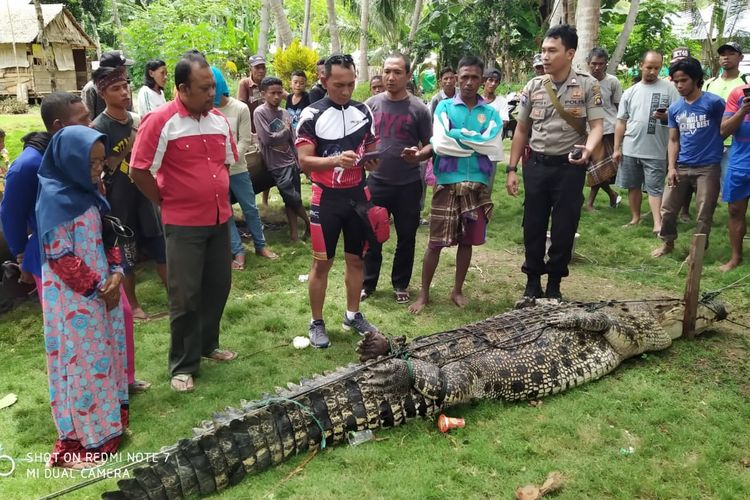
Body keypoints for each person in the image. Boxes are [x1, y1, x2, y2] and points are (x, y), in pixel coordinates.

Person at [130, 52, 239, 392]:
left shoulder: (218, 119)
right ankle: (182, 365)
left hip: (220, 219)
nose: (212, 94)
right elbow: (138, 169)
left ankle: (207, 345)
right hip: (183, 224)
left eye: (214, 87)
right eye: (205, 88)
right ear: (182, 88)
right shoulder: (160, 121)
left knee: (217, 285)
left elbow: (226, 164)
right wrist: (165, 201)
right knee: (185, 295)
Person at [36, 125, 128, 468]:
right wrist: (97, 288)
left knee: (105, 358)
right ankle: (83, 439)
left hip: (103, 290)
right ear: (70, 161)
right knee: (81, 365)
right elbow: (60, 255)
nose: (97, 169)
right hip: (75, 300)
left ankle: (108, 427)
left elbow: (110, 232)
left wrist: (117, 273)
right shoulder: (54, 198)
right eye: (90, 163)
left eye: (101, 162)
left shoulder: (92, 190)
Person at [506, 24, 604, 301]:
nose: (545, 57)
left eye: (552, 51)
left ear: (570, 53)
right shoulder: (534, 85)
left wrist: (588, 148)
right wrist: (512, 168)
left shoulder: (587, 85)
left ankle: (555, 285)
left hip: (569, 169)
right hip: (536, 166)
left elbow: (597, 125)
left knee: (564, 228)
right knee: (533, 224)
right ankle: (532, 282)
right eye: (543, 51)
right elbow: (522, 130)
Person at [295, 53, 380, 348]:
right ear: (324, 80)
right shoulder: (311, 115)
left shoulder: (364, 111)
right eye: (338, 85)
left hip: (357, 196)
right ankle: (316, 322)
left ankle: (353, 314)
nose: (345, 91)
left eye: (351, 84)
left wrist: (373, 162)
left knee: (356, 259)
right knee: (322, 264)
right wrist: (334, 161)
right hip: (325, 198)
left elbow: (373, 150)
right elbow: (304, 161)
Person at [409, 55, 502, 314]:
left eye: (475, 77)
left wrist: (457, 137)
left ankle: (457, 290)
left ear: (482, 80)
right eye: (464, 77)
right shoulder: (444, 108)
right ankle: (424, 294)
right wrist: (473, 143)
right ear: (457, 79)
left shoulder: (491, 112)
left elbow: (493, 146)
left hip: (477, 184)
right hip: (447, 182)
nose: (469, 82)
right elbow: (440, 144)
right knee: (435, 242)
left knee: (467, 241)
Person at [92, 65, 167, 324]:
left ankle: (176, 296)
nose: (124, 92)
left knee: (161, 247)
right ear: (103, 94)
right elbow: (97, 170)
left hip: (145, 194)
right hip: (119, 201)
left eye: (126, 86)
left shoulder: (138, 121)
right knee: (126, 256)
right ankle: (133, 305)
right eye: (116, 88)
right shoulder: (98, 128)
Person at [1, 92, 90, 293]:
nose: (91, 124)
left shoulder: (75, 154)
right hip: (51, 257)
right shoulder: (27, 166)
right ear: (59, 125)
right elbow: (11, 214)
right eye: (83, 119)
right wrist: (22, 256)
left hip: (86, 248)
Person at [362, 53, 432, 304]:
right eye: (387, 71)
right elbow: (359, 141)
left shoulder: (419, 109)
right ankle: (367, 283)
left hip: (408, 184)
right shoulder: (370, 105)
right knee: (372, 235)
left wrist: (418, 155)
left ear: (408, 76)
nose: (390, 77)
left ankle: (400, 283)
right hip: (376, 181)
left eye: (397, 72)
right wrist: (364, 157)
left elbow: (430, 145)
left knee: (407, 236)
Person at [652, 57, 726, 258]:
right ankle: (668, 243)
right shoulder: (676, 108)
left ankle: (698, 250)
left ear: (695, 79)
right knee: (667, 209)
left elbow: (726, 128)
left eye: (683, 80)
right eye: (675, 81)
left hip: (708, 167)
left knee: (704, 212)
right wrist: (672, 168)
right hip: (682, 166)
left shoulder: (714, 103)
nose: (679, 85)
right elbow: (673, 140)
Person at [213, 67, 276, 269]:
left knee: (250, 208)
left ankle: (261, 245)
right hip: (215, 173)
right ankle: (237, 251)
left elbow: (245, 140)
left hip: (237, 169)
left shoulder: (239, 108)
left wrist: (229, 160)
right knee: (226, 212)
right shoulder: (205, 111)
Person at [613, 50, 679, 233]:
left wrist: (666, 117)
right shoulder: (631, 91)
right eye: (649, 67)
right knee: (633, 186)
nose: (652, 71)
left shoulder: (669, 89)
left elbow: (678, 115)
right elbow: (621, 121)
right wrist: (617, 148)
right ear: (641, 65)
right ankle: (635, 217)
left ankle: (658, 223)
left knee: (654, 187)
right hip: (631, 147)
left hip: (656, 149)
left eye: (657, 68)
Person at [254, 76, 311, 242]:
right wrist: (285, 131)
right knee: (291, 198)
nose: (277, 96)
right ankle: (310, 224)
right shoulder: (260, 113)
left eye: (280, 93)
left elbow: (291, 140)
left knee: (293, 200)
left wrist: (298, 161)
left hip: (291, 162)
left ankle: (294, 235)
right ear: (263, 93)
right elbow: (267, 139)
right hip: (276, 165)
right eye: (273, 93)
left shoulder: (284, 112)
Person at [585, 47, 623, 211]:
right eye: (594, 64)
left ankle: (590, 204)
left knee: (600, 167)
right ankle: (611, 195)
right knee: (596, 167)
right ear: (588, 63)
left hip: (608, 129)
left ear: (606, 64)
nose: (597, 67)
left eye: (601, 64)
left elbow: (619, 107)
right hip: (589, 130)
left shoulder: (612, 81)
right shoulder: (583, 81)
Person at [718, 81, 750, 271]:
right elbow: (723, 131)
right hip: (740, 163)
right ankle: (735, 257)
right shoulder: (738, 93)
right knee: (735, 211)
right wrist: (742, 111)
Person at [704, 42, 748, 180]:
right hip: (711, 142)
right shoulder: (709, 83)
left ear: (740, 57)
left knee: (732, 186)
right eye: (723, 54)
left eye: (731, 54)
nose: (726, 57)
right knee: (708, 186)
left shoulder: (746, 82)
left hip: (736, 143)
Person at [82, 51, 134, 120]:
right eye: (123, 68)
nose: (126, 71)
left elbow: (130, 110)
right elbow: (88, 117)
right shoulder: (91, 88)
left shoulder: (126, 85)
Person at [481, 68, 510, 194]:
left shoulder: (501, 101)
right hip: (474, 148)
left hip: (492, 149)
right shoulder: (476, 99)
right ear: (484, 81)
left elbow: (503, 122)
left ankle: (484, 213)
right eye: (490, 80)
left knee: (487, 185)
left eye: (496, 81)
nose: (493, 84)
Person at [237, 55, 268, 132]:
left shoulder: (269, 83)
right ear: (250, 69)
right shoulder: (245, 84)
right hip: (250, 129)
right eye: (257, 67)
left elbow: (285, 95)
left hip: (267, 128)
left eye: (263, 68)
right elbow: (241, 108)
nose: (261, 71)